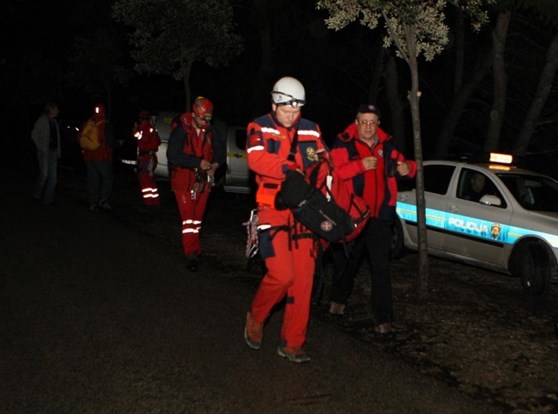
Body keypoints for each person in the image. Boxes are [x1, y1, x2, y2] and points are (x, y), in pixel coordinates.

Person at [243, 76, 328, 363]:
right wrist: (288, 168)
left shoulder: (311, 130)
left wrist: (325, 174)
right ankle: (257, 315)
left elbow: (323, 160)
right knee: (282, 274)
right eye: (286, 110)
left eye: (296, 111)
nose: (291, 117)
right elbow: (256, 159)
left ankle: (292, 343)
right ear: (274, 104)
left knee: (303, 281)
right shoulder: (259, 126)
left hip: (305, 214)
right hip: (273, 210)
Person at [327, 104, 417, 339]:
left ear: (378, 124)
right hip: (354, 214)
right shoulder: (344, 143)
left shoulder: (387, 145)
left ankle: (383, 319)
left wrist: (409, 168)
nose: (368, 126)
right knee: (351, 261)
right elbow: (333, 172)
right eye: (364, 122)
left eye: (372, 122)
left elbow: (405, 166)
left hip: (381, 217)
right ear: (356, 123)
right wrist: (360, 166)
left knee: (381, 267)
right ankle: (338, 298)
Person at [166, 96, 225, 272]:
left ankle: (195, 247)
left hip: (203, 182)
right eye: (202, 118)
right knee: (189, 219)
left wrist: (214, 165)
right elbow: (173, 155)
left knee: (197, 219)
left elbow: (220, 153)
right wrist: (197, 162)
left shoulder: (211, 131)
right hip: (184, 180)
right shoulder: (181, 131)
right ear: (194, 114)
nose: (205, 122)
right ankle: (191, 253)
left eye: (208, 118)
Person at [79, 103, 118, 212]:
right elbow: (111, 142)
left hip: (88, 157)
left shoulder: (88, 123)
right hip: (102, 157)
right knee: (108, 178)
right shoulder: (105, 124)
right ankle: (103, 200)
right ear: (104, 112)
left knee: (92, 179)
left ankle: (92, 203)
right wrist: (118, 144)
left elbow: (80, 138)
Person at [31, 102, 61, 205]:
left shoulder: (54, 122)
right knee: (44, 174)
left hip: (53, 152)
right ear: (51, 110)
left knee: (53, 178)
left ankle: (48, 199)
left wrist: (58, 151)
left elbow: (57, 138)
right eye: (56, 109)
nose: (58, 111)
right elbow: (34, 135)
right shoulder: (42, 120)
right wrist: (42, 147)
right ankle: (36, 194)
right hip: (45, 152)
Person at [132, 109, 161, 208]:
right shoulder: (152, 128)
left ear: (141, 119)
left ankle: (149, 203)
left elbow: (143, 138)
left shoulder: (143, 128)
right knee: (150, 180)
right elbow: (158, 142)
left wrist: (136, 131)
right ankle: (155, 201)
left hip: (146, 158)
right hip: (151, 157)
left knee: (145, 180)